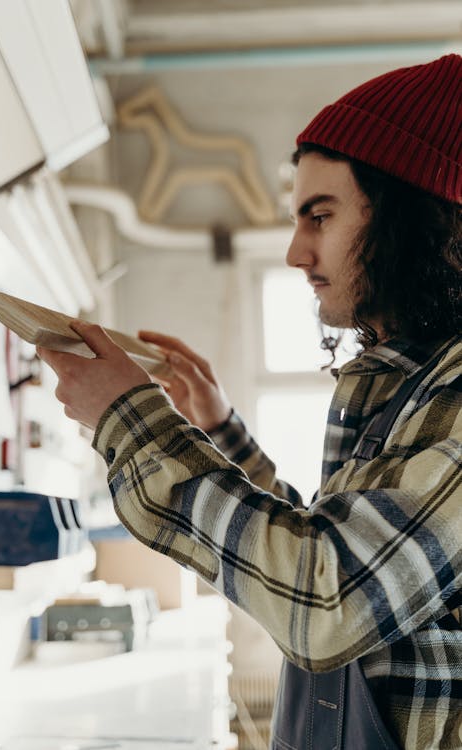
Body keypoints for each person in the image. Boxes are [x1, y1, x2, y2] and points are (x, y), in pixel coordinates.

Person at [38, 54, 461, 749]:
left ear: (409, 222)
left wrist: (129, 421)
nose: (296, 252)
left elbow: (326, 600)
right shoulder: (405, 386)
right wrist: (215, 427)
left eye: (319, 216)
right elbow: (328, 547)